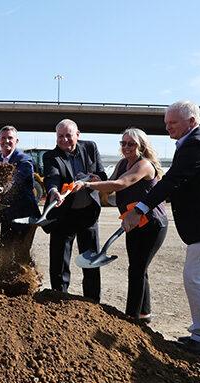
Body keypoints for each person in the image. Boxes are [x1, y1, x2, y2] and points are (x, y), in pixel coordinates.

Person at [122, 101, 200, 357]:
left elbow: (172, 181)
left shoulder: (197, 144)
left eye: (173, 123)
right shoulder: (194, 141)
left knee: (196, 276)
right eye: (166, 123)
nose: (167, 128)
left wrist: (139, 211)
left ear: (191, 121)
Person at [73, 128, 168, 320]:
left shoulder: (144, 165)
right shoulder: (123, 163)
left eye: (131, 144)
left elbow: (121, 184)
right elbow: (112, 182)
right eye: (123, 143)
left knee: (137, 269)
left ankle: (131, 316)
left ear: (141, 146)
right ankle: (144, 312)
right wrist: (99, 181)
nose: (126, 147)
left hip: (152, 224)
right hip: (133, 222)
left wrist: (88, 185)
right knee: (138, 267)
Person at [43, 119, 107, 302]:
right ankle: (59, 298)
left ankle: (93, 301)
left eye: (68, 135)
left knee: (91, 260)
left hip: (88, 213)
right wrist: (54, 191)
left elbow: (102, 174)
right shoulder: (51, 156)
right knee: (59, 261)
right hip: (64, 215)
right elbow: (52, 178)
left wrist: (95, 179)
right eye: (60, 136)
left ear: (78, 135)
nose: (64, 140)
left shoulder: (90, 148)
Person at [0, 126, 41, 281]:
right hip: (6, 214)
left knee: (21, 252)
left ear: (16, 141)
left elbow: (17, 180)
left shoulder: (24, 160)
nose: (6, 141)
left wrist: (3, 187)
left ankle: (27, 283)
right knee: (4, 251)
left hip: (25, 215)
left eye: (10, 138)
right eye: (3, 138)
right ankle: (3, 284)